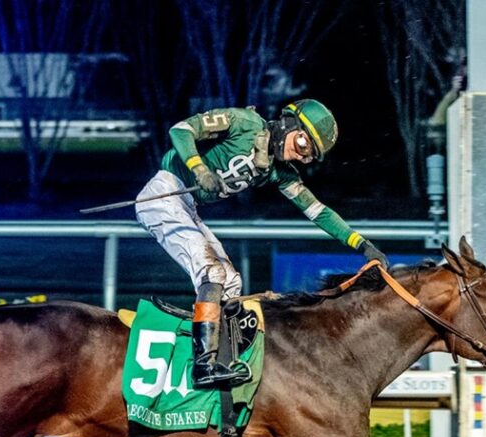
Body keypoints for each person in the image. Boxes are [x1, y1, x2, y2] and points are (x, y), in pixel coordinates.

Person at [137, 99, 387, 389]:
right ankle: (202, 366)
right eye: (304, 144)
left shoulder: (278, 172)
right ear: (289, 124)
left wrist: (364, 246)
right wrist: (198, 168)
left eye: (309, 156)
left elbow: (318, 211)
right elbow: (181, 130)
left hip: (187, 207)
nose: (300, 156)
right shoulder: (245, 122)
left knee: (231, 281)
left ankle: (224, 361)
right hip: (163, 193)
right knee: (212, 273)